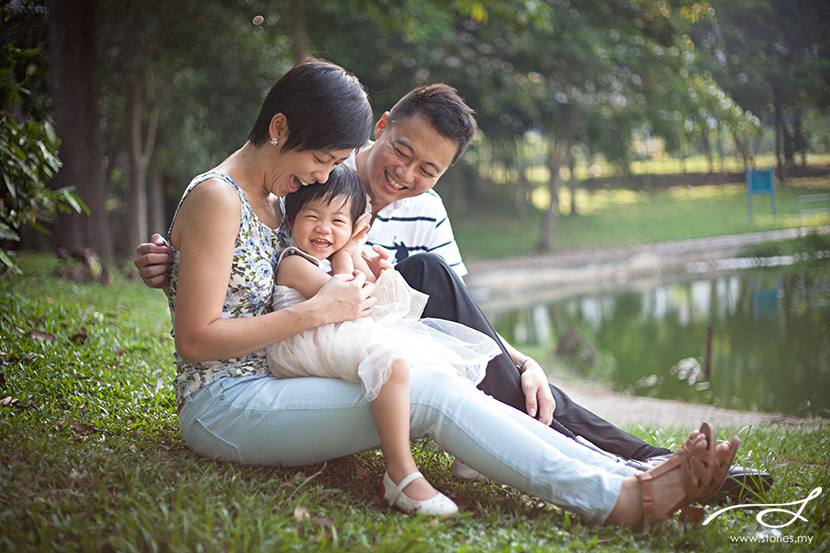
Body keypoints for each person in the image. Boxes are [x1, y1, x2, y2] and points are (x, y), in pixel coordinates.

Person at [159, 56, 740, 526]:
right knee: (429, 392)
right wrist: (320, 307)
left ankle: (629, 480)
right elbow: (196, 339)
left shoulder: (274, 195)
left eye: (333, 163)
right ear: (280, 128)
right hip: (226, 405)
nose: (320, 178)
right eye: (320, 160)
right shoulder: (222, 196)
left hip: (280, 378)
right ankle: (623, 498)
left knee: (432, 377)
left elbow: (233, 276)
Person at [266, 165, 500, 515]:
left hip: (338, 332)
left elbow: (368, 298)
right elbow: (345, 299)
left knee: (445, 359)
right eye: (312, 216)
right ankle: (400, 473)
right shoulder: (293, 264)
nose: (324, 229)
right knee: (389, 359)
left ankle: (468, 451)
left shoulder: (336, 258)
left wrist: (363, 260)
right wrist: (351, 251)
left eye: (338, 221)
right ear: (291, 219)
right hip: (301, 343)